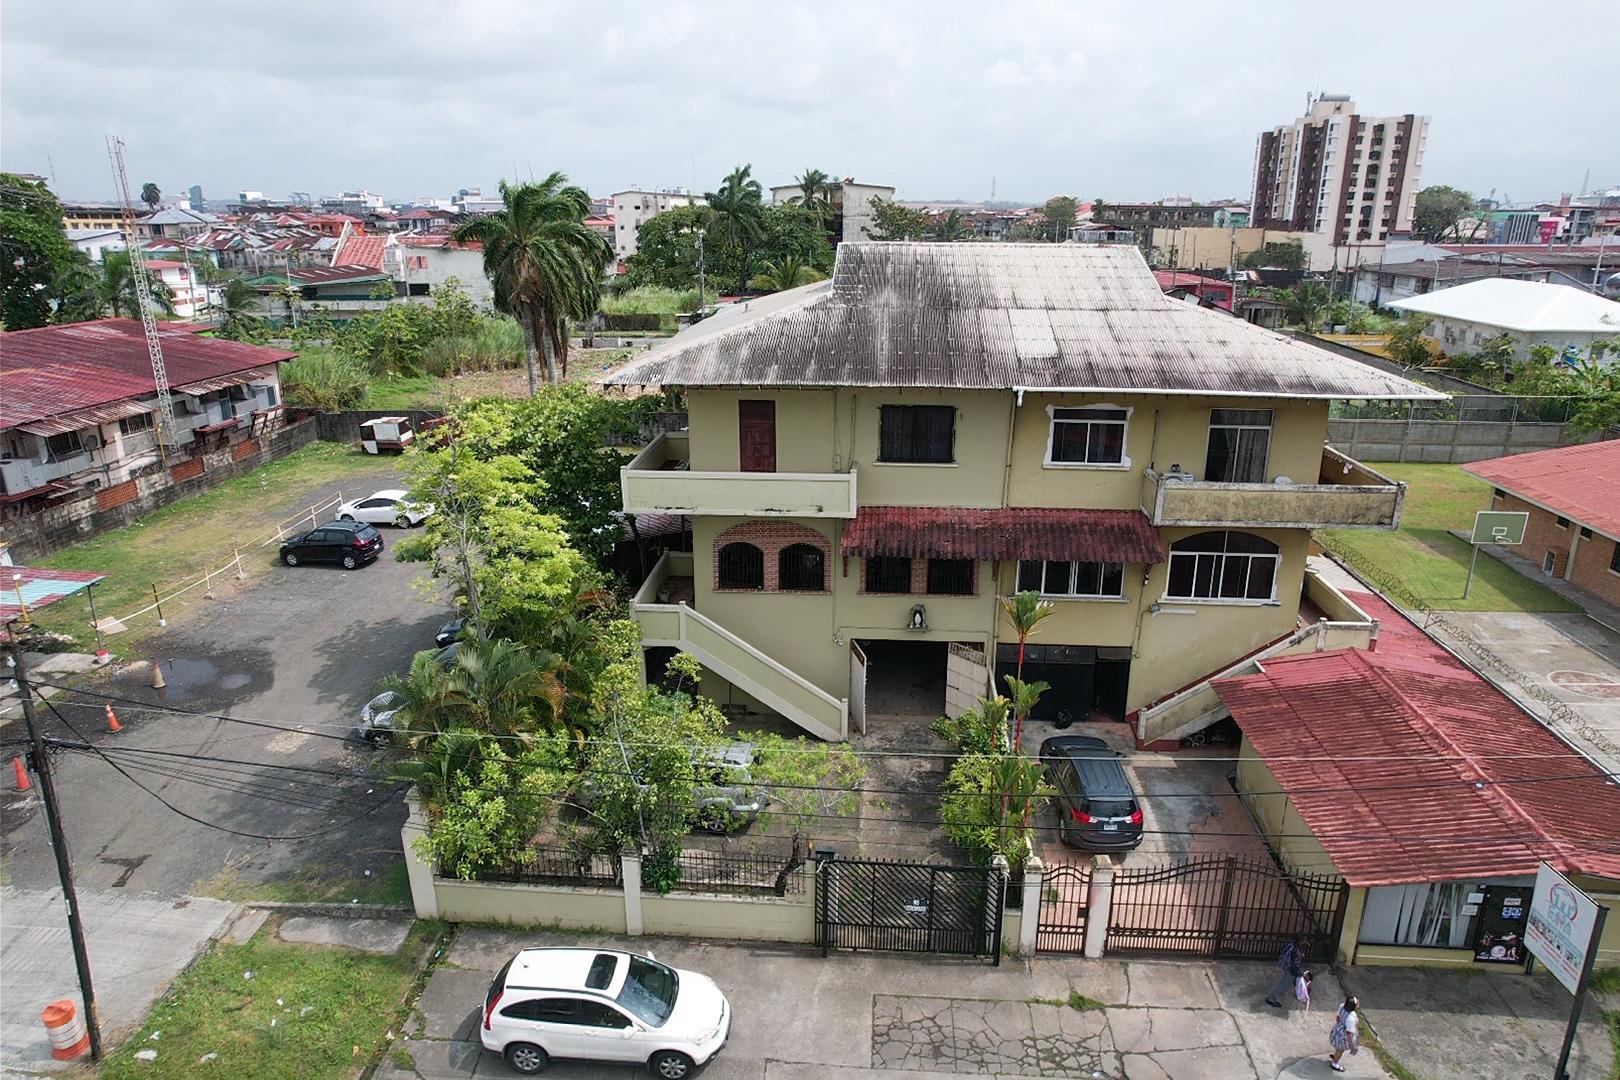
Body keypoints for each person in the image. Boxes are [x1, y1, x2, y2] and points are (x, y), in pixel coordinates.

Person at [1265, 936, 1307, 1008]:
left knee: (1294, 981)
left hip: (1288, 967)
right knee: (1284, 985)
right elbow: (1296, 965)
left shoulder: (1292, 945)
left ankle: (1301, 992)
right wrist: (1300, 972)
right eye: (1304, 940)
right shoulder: (1297, 951)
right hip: (1291, 970)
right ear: (1301, 941)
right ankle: (1271, 998)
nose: (1305, 941)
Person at [1328, 995, 1360, 1072]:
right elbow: (1349, 1034)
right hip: (1343, 1037)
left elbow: (1338, 1018)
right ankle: (1335, 1063)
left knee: (1338, 1047)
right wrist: (1352, 1047)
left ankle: (1335, 1055)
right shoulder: (1351, 1018)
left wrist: (1340, 1025)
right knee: (1340, 1049)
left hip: (1337, 1030)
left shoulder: (1342, 1006)